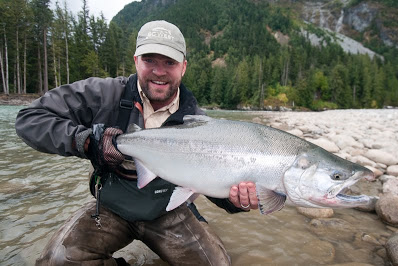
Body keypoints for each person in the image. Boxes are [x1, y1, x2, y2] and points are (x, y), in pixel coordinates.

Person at [15, 20, 258, 266]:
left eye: (169, 63)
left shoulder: (198, 124)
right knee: (56, 262)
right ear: (136, 61)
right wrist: (87, 142)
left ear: (183, 67)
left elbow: (212, 181)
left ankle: (197, 222)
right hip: (110, 208)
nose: (159, 71)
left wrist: (235, 200)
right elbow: (30, 119)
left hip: (168, 212)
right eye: (150, 60)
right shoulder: (103, 94)